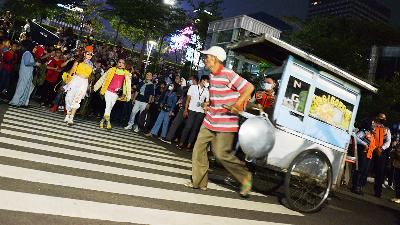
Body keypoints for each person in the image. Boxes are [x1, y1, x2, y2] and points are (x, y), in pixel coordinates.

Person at [184, 46, 255, 197]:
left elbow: (249, 88)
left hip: (226, 122)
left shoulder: (227, 73)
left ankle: (245, 177)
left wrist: (237, 104)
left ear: (214, 58)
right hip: (210, 119)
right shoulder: (213, 76)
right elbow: (217, 98)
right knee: (198, 149)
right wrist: (208, 104)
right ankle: (199, 182)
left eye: (207, 57)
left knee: (221, 154)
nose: (205, 59)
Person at [94, 58, 131, 129]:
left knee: (110, 107)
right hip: (108, 91)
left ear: (124, 65)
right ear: (117, 63)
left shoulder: (127, 73)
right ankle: (108, 122)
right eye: (119, 62)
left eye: (122, 63)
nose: (120, 64)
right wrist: (96, 87)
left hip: (116, 94)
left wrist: (127, 95)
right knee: (108, 105)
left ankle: (102, 121)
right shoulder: (111, 70)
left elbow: (128, 85)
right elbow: (103, 78)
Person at [177, 75, 210, 150]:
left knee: (195, 129)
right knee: (188, 127)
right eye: (206, 81)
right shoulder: (193, 87)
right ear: (202, 80)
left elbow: (207, 102)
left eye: (208, 81)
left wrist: (204, 105)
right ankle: (181, 142)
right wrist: (185, 110)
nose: (207, 83)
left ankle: (189, 145)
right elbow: (188, 99)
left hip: (200, 112)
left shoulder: (207, 91)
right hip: (191, 110)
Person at [63, 46, 94, 125]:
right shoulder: (78, 62)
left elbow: (90, 76)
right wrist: (67, 81)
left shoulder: (91, 65)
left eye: (91, 54)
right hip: (75, 80)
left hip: (84, 82)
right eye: (88, 54)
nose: (89, 55)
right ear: (84, 54)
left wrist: (88, 85)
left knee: (77, 100)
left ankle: (71, 118)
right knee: (69, 98)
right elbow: (72, 71)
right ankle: (68, 113)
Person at [9, 41, 41, 107]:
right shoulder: (27, 53)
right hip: (25, 73)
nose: (36, 49)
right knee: (21, 87)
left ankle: (21, 103)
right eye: (35, 47)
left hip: (27, 73)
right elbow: (26, 63)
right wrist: (35, 64)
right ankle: (14, 102)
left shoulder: (30, 53)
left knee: (25, 88)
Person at [372, 113, 391, 198]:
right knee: (365, 168)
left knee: (380, 173)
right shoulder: (372, 125)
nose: (382, 119)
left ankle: (378, 192)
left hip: (381, 152)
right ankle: (359, 186)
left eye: (384, 118)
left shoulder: (386, 129)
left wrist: (381, 148)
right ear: (377, 117)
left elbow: (388, 141)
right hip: (371, 149)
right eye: (381, 117)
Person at [390, 138, 400, 203]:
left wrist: (395, 150)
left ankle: (399, 198)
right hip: (397, 165)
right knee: (397, 181)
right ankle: (397, 196)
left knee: (399, 182)